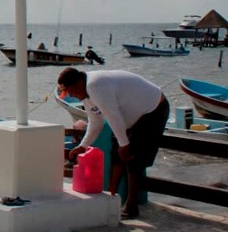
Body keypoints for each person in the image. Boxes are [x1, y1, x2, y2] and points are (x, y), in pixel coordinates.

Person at [57, 67, 170, 220]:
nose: (71, 96)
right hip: (130, 118)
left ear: (77, 84)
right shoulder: (86, 94)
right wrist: (82, 146)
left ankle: (131, 205)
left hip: (153, 108)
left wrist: (124, 145)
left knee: (132, 158)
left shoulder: (95, 86)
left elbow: (113, 117)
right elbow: (95, 121)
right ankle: (111, 198)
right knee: (116, 155)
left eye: (71, 91)